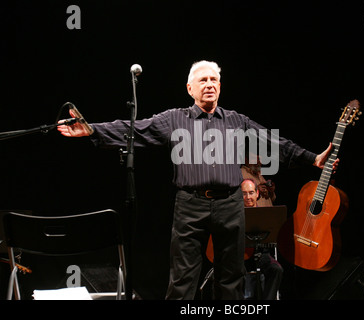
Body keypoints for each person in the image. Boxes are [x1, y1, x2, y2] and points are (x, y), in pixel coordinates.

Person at [57, 60, 338, 300]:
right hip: (190, 206)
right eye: (202, 80)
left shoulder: (236, 120)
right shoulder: (174, 120)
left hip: (230, 205)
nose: (209, 84)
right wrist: (92, 130)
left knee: (231, 279)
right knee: (182, 281)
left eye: (214, 79)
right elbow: (133, 129)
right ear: (190, 89)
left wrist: (311, 158)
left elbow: (272, 140)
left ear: (220, 86)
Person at [240, 179, 283, 300]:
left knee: (276, 269)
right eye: (244, 193)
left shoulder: (264, 213)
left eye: (251, 192)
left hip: (261, 254)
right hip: (240, 256)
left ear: (257, 193)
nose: (248, 197)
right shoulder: (236, 214)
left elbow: (272, 236)